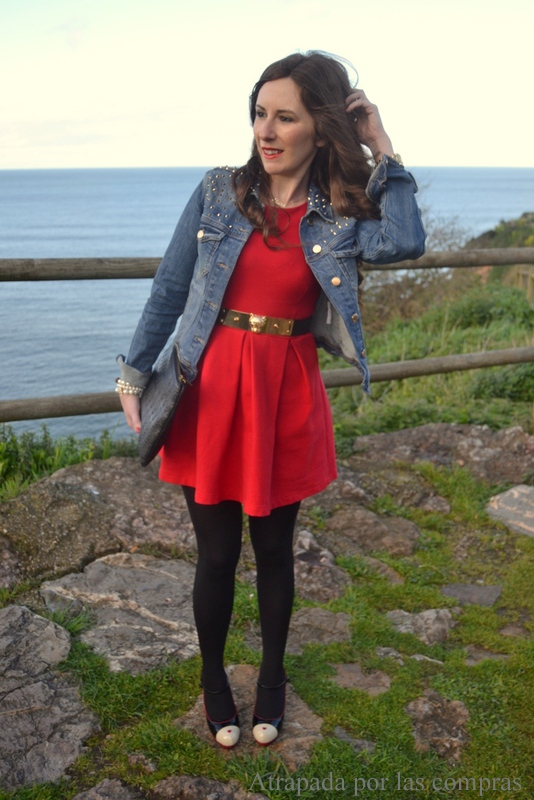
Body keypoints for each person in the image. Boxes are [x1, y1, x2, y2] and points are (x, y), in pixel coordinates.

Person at [116, 51, 426, 749]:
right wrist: (134, 374)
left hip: (284, 393)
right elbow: (170, 287)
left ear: (321, 126)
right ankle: (213, 681)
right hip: (209, 389)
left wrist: (381, 143)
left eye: (285, 117)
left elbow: (405, 240)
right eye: (260, 113)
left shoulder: (339, 214)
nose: (266, 130)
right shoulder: (218, 192)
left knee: (276, 550)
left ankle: (273, 680)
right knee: (216, 554)